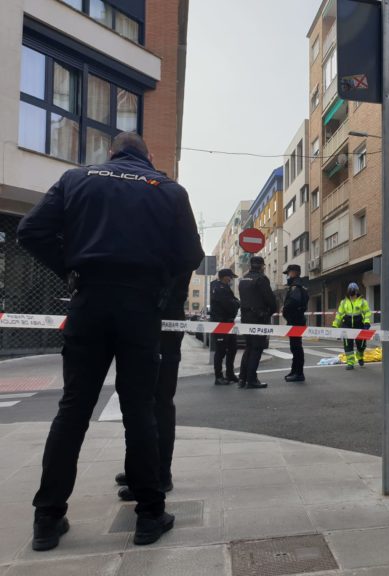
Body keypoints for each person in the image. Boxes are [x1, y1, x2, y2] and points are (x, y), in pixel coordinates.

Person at [17, 132, 203, 550]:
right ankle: (149, 517)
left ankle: (47, 519)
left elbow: (31, 231)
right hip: (140, 307)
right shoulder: (168, 189)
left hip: (89, 300)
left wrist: (71, 267)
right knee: (140, 408)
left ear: (112, 152)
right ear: (148, 155)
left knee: (73, 408)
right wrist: (157, 278)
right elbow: (191, 254)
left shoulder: (76, 179)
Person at [114, 271, 192, 501]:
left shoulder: (171, 238)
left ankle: (159, 474)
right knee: (139, 399)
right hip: (145, 313)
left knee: (159, 399)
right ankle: (140, 470)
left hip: (162, 314)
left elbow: (189, 256)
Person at [238, 256, 276, 389]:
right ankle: (252, 379)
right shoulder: (261, 279)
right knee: (256, 348)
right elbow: (270, 299)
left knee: (248, 348)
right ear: (262, 266)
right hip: (258, 318)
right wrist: (270, 311)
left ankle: (242, 378)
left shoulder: (243, 279)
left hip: (246, 318)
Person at [210, 269, 240, 386]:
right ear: (224, 277)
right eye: (230, 277)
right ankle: (218, 377)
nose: (231, 279)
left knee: (232, 349)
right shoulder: (219, 288)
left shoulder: (225, 288)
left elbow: (234, 301)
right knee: (220, 351)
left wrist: (235, 302)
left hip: (228, 324)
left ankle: (230, 374)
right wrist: (236, 303)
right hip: (221, 324)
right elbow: (230, 305)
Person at [332, 282, 372, 371]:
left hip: (359, 325)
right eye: (351, 291)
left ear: (357, 291)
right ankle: (350, 363)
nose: (352, 292)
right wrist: (335, 325)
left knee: (361, 345)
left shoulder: (363, 301)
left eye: (354, 291)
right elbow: (339, 314)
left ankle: (360, 356)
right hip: (347, 325)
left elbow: (367, 313)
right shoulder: (343, 302)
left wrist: (366, 322)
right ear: (348, 292)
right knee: (348, 345)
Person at [282, 264, 309, 382]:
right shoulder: (298, 285)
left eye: (288, 273)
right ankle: (295, 371)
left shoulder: (296, 286)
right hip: (296, 320)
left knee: (296, 348)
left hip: (296, 321)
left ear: (294, 272)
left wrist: (285, 311)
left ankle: (298, 373)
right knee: (295, 347)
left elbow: (293, 302)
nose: (287, 275)